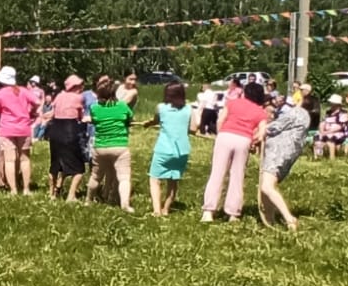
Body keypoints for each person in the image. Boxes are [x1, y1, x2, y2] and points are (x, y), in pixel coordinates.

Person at [201, 80, 268, 223]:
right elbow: (261, 133)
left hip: (225, 136)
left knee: (217, 173)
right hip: (243, 140)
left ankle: (208, 211)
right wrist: (254, 142)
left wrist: (220, 134)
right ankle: (233, 212)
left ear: (245, 93)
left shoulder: (232, 103)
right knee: (237, 175)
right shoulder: (261, 112)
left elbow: (220, 120)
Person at [258, 95, 310, 231]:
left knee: (266, 187)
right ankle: (269, 219)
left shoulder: (298, 113)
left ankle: (289, 219)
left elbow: (276, 126)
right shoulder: (305, 118)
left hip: (278, 153)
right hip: (285, 154)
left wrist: (262, 130)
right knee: (267, 187)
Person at [86, 77, 134, 211]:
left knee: (96, 176)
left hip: (100, 146)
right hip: (119, 146)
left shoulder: (94, 108)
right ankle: (125, 204)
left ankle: (88, 200)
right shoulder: (123, 106)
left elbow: (95, 121)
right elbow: (130, 118)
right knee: (124, 177)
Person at [145, 81, 193, 215]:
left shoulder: (161, 108)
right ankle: (166, 209)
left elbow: (156, 120)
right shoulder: (189, 109)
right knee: (173, 181)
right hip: (182, 151)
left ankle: (156, 211)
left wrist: (149, 123)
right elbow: (194, 128)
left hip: (164, 149)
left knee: (155, 179)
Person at [0, 65, 40, 196]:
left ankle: (13, 190)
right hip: (24, 128)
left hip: (7, 128)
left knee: (9, 160)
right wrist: (32, 112)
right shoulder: (24, 91)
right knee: (25, 159)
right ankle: (26, 189)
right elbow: (37, 101)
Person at [47, 74, 86, 202]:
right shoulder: (78, 98)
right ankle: (71, 196)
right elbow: (80, 116)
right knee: (78, 168)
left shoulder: (59, 96)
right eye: (81, 85)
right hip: (69, 130)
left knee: (55, 164)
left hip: (55, 130)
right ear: (75, 86)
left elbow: (53, 111)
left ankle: (51, 194)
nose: (82, 87)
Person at [314, 94, 348, 159]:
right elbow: (322, 122)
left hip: (339, 132)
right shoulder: (328, 112)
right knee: (318, 138)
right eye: (331, 103)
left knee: (330, 139)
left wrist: (327, 132)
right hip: (326, 131)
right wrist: (322, 131)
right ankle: (318, 157)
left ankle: (332, 158)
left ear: (338, 105)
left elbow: (340, 126)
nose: (331, 105)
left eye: (333, 103)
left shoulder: (343, 113)